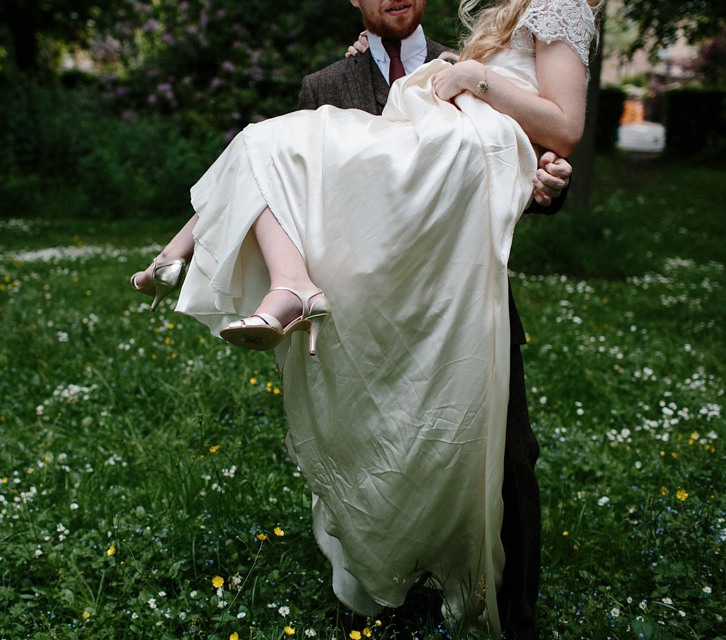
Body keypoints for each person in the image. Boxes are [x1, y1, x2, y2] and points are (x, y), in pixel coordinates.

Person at [130, 0, 598, 637]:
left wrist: (544, 174)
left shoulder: (472, 54)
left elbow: (543, 139)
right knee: (381, 437)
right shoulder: (330, 83)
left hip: (456, 288)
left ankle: (512, 616)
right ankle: (392, 585)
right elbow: (301, 196)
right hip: (362, 300)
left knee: (508, 455)